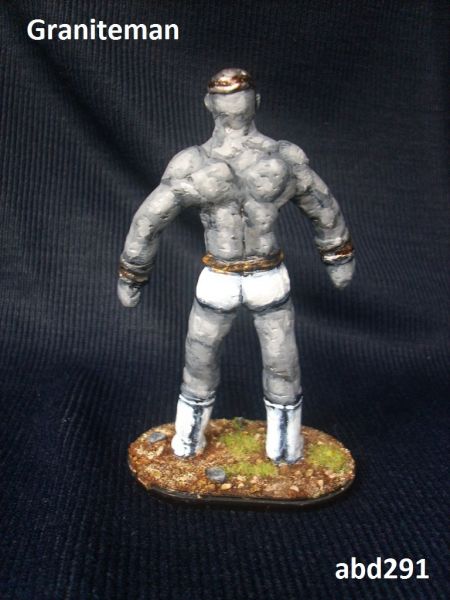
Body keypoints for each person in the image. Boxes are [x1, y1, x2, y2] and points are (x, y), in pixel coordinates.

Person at [118, 68, 355, 464]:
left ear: (208, 104)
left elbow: (149, 220)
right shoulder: (242, 161)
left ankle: (250, 449)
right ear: (254, 102)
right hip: (235, 276)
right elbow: (324, 208)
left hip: (251, 275)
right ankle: (226, 447)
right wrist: (337, 257)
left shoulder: (219, 162)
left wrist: (133, 276)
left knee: (245, 359)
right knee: (226, 358)